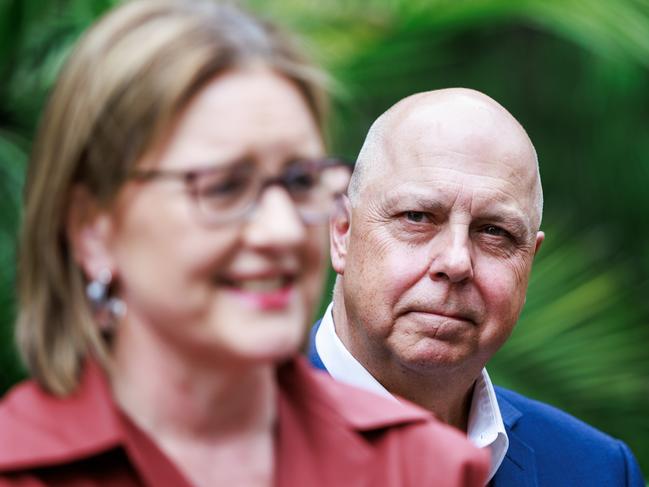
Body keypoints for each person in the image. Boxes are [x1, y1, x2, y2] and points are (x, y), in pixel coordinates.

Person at [0, 3, 491, 486]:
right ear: (94, 229)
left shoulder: (421, 470)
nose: (281, 231)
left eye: (300, 182)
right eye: (224, 187)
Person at [308, 88, 645, 486]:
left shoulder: (595, 470)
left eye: (494, 232)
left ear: (528, 262)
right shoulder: (230, 443)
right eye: (417, 217)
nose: (456, 262)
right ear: (342, 232)